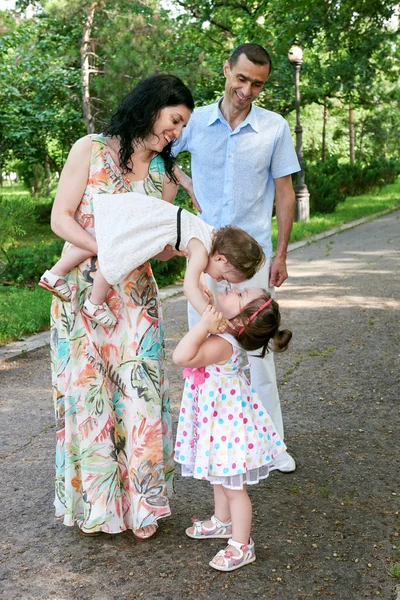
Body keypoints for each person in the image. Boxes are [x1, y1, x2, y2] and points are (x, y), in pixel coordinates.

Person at [49, 73, 195, 539]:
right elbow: (59, 219)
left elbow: (158, 245)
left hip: (135, 300)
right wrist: (103, 248)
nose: (175, 132)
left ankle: (143, 507)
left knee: (141, 395)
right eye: (174, 120)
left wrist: (182, 244)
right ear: (152, 106)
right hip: (81, 297)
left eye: (182, 128)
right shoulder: (88, 149)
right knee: (90, 397)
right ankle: (100, 505)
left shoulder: (163, 174)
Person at [173, 43, 300, 472]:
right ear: (226, 69)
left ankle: (272, 444)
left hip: (250, 259)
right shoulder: (195, 124)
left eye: (257, 84)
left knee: (256, 352)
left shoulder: (275, 128)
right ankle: (208, 443)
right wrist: (185, 190)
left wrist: (281, 252)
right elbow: (160, 156)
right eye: (241, 78)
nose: (247, 89)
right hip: (205, 256)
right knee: (207, 347)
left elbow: (284, 192)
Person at [173, 288, 292, 571]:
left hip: (228, 429)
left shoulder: (223, 344)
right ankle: (222, 522)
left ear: (239, 322)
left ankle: (242, 544)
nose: (229, 289)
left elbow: (181, 356)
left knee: (233, 488)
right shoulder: (226, 335)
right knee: (220, 477)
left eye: (237, 294)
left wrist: (203, 325)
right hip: (219, 424)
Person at [39, 193, 265, 327]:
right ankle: (95, 303)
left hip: (139, 212)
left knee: (98, 241)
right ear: (220, 257)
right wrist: (209, 315)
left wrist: (202, 283)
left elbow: (194, 270)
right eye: (223, 276)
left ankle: (55, 274)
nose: (218, 279)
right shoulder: (201, 248)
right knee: (115, 256)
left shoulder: (208, 234)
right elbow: (188, 287)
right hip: (143, 223)